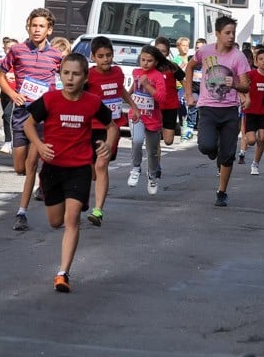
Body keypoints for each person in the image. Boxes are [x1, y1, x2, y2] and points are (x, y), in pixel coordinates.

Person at [22, 53, 119, 293]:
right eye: (66, 73)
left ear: (85, 77)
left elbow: (112, 127)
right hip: (53, 168)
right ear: (60, 75)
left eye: (75, 74)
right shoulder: (51, 99)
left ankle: (62, 273)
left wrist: (108, 144)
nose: (70, 78)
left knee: (72, 219)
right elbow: (28, 124)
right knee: (55, 222)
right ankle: (62, 257)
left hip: (79, 168)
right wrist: (40, 145)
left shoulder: (92, 102)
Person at [0, 9, 64, 230]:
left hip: (43, 116)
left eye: (42, 26)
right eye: (34, 25)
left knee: (32, 165)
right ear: (28, 26)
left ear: (49, 30)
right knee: (19, 167)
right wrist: (12, 93)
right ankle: (37, 178)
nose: (37, 29)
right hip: (22, 114)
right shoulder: (17, 50)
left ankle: (21, 213)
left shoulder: (56, 56)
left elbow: (68, 77)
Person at [183, 15, 251, 207]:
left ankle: (222, 192)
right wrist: (189, 94)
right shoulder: (205, 51)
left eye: (233, 33)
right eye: (227, 33)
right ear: (218, 34)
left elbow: (246, 86)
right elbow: (189, 67)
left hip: (229, 110)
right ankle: (214, 152)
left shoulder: (238, 56)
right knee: (206, 146)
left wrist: (235, 84)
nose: (231, 37)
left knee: (228, 155)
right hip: (207, 108)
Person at [86, 36, 140, 225]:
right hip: (91, 127)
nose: (106, 59)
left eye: (109, 55)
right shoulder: (89, 75)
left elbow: (120, 91)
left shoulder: (117, 72)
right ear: (93, 57)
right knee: (91, 170)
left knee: (101, 165)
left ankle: (98, 210)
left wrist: (133, 105)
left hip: (112, 127)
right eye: (101, 56)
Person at [127, 45, 166, 195]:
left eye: (149, 61)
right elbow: (132, 89)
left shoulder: (158, 76)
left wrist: (147, 85)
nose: (145, 63)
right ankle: (136, 168)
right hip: (137, 115)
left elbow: (161, 98)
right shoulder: (136, 72)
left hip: (153, 118)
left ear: (155, 62)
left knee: (152, 152)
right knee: (136, 141)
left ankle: (152, 176)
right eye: (143, 60)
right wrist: (127, 96)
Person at [244, 48, 264, 176]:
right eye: (261, 59)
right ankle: (245, 143)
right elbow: (242, 87)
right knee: (251, 141)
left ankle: (255, 164)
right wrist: (245, 99)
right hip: (251, 111)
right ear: (256, 61)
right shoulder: (250, 75)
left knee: (262, 139)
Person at [153, 36, 187, 150]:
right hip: (154, 106)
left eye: (163, 51)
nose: (160, 53)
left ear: (167, 53)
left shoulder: (172, 67)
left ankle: (161, 131)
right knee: (154, 139)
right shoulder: (150, 66)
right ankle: (155, 166)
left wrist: (188, 94)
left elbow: (183, 80)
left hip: (170, 106)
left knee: (168, 141)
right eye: (158, 51)